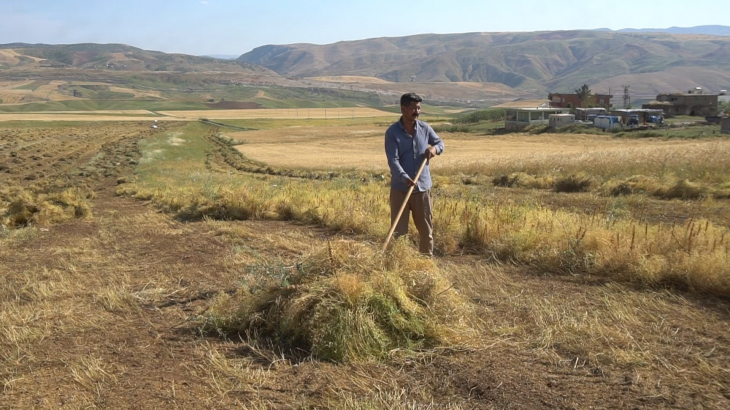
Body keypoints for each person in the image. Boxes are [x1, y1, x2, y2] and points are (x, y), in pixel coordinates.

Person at [384, 93, 444, 256]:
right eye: (413, 108)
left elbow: (440, 143)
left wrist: (434, 149)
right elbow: (393, 161)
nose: (417, 111)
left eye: (418, 108)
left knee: (426, 231)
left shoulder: (425, 128)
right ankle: (400, 262)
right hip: (400, 190)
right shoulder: (392, 133)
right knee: (399, 233)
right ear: (403, 109)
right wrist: (405, 178)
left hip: (422, 189)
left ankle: (426, 263)